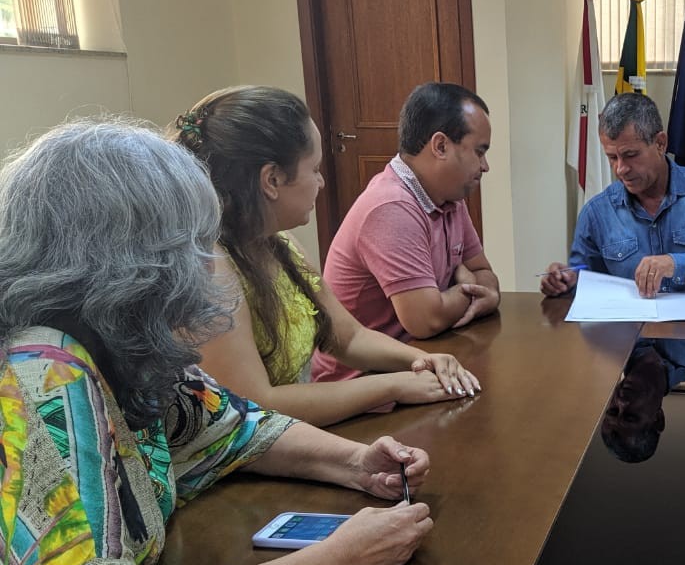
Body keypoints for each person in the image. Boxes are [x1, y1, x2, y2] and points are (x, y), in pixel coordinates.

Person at [0, 120, 434, 565]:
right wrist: (341, 561)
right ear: (135, 261)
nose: (207, 264)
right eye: (197, 244)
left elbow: (232, 426)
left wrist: (355, 462)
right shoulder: (38, 378)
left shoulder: (117, 338)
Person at [173, 86, 480, 427]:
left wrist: (423, 361)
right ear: (271, 179)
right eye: (315, 168)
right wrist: (394, 385)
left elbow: (348, 337)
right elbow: (255, 406)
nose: (321, 183)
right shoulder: (212, 269)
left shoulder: (279, 243)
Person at [315, 83, 500, 380]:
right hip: (364, 385)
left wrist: (479, 292)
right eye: (479, 152)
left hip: (421, 362)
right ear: (440, 146)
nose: (485, 166)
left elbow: (486, 275)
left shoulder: (450, 197)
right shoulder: (391, 207)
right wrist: (472, 291)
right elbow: (426, 320)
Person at [541, 93, 685, 299]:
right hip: (627, 340)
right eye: (612, 158)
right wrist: (566, 281)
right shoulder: (597, 212)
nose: (620, 169)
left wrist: (678, 265)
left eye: (630, 155)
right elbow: (585, 277)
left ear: (660, 143)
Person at [601, 339, 685, 463]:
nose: (622, 402)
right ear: (658, 419)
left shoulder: (608, 347)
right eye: (631, 416)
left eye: (613, 410)